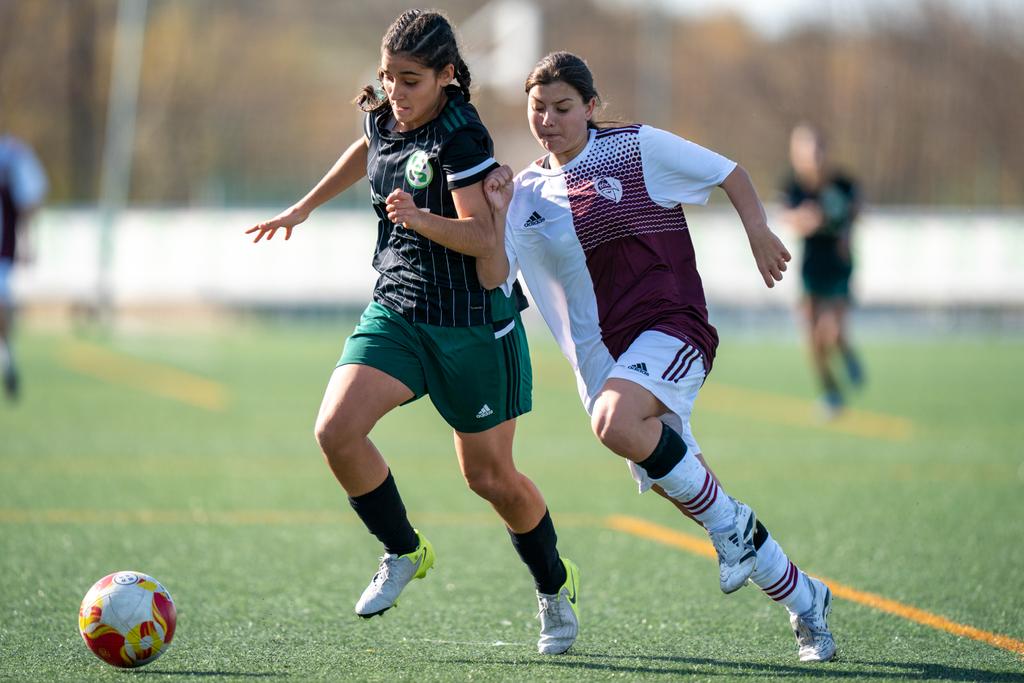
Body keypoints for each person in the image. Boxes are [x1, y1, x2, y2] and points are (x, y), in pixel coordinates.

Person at [478, 52, 835, 663]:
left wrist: (757, 230)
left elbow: (730, 173)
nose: (548, 120)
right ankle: (805, 597)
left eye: (563, 107)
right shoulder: (525, 192)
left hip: (671, 330)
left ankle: (734, 530)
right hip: (605, 367)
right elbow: (498, 279)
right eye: (538, 108)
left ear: (591, 107)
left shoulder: (634, 148)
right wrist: (492, 213)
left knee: (618, 425)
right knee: (693, 492)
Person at [245, 11, 578, 655]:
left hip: (472, 324)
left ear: (446, 76)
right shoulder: (384, 114)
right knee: (335, 431)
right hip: (399, 307)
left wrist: (419, 218)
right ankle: (403, 550)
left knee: (490, 479)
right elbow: (369, 148)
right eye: (388, 76)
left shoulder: (462, 137)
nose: (395, 91)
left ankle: (554, 587)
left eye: (410, 80)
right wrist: (306, 205)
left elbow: (484, 242)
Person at [780, 123, 863, 418]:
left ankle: (847, 352)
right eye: (805, 151)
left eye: (816, 150)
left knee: (831, 331)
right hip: (811, 266)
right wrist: (805, 220)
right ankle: (830, 391)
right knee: (812, 337)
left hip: (838, 264)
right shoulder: (795, 187)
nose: (812, 157)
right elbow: (787, 217)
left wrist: (846, 233)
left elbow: (857, 211)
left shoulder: (842, 183)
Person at [0, 134, 48, 402]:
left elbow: (30, 201)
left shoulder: (12, 155)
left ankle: (8, 360)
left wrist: (28, 242)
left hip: (2, 256)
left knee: (3, 310)